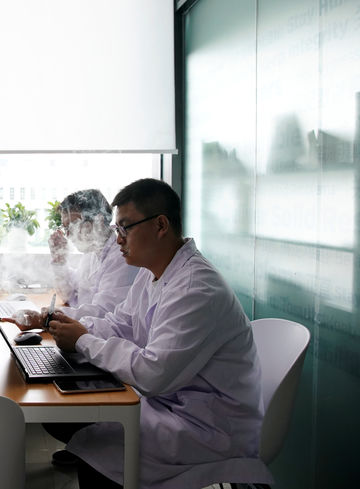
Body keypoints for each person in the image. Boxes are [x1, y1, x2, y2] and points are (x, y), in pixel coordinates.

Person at [46, 178, 273, 489]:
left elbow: (153, 373)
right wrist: (78, 331)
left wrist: (83, 341)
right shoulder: (154, 272)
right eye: (117, 230)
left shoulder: (195, 287)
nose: (118, 239)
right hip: (173, 405)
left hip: (207, 427)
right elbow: (121, 323)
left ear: (161, 225)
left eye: (125, 228)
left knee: (94, 444)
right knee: (88, 436)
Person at [3, 189, 138, 328]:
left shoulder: (122, 258)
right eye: (65, 227)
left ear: (98, 220)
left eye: (71, 226)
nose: (67, 234)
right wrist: (59, 260)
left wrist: (47, 319)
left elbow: (102, 313)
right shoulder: (92, 252)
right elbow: (69, 295)